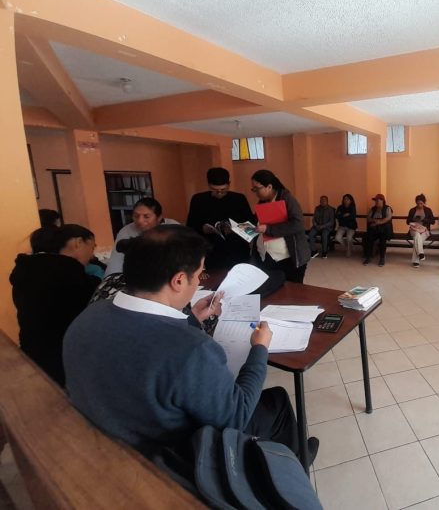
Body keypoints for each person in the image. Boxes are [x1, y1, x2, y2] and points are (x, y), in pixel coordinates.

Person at [63, 225, 317, 464]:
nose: (198, 283)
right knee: (277, 402)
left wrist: (193, 318)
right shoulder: (193, 349)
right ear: (178, 281)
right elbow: (237, 416)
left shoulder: (87, 318)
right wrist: (259, 349)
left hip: (110, 441)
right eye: (197, 275)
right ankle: (293, 467)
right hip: (174, 459)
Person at [10, 224, 100, 386]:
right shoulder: (69, 274)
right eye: (92, 247)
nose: (92, 256)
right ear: (78, 242)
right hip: (61, 358)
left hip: (31, 351)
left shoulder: (26, 269)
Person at [186, 167, 256, 270]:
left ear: (229, 184)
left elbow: (251, 225)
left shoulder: (239, 199)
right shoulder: (198, 200)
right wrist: (202, 229)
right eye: (215, 190)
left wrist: (234, 229)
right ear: (208, 185)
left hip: (237, 250)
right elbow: (190, 226)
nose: (219, 193)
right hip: (210, 252)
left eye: (223, 190)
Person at [249, 170, 310, 283]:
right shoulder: (262, 202)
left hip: (289, 257)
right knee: (274, 288)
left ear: (269, 187)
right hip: (268, 257)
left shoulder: (287, 199)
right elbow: (257, 221)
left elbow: (298, 224)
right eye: (253, 189)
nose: (255, 192)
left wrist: (268, 229)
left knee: (292, 290)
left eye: (257, 188)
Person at [106, 197, 179, 275]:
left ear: (159, 217)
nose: (140, 221)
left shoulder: (174, 229)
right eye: (136, 216)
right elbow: (115, 263)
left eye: (146, 217)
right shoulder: (126, 231)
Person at [362, 194, 393, 267]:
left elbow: (388, 218)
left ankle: (382, 258)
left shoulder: (387, 208)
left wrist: (378, 222)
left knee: (382, 239)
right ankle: (368, 256)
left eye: (377, 200)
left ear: (382, 201)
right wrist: (374, 221)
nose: (376, 202)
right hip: (374, 229)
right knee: (367, 237)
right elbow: (368, 218)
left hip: (384, 230)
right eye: (375, 200)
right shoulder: (373, 209)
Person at [406, 194, 435, 268]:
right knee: (417, 235)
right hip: (414, 229)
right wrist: (414, 219)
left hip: (424, 230)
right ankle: (421, 253)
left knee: (417, 240)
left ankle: (416, 261)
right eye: (418, 203)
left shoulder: (428, 210)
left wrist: (424, 220)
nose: (419, 205)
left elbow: (433, 221)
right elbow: (407, 221)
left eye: (421, 203)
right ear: (416, 202)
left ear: (424, 203)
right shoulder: (412, 210)